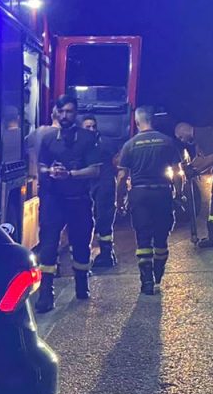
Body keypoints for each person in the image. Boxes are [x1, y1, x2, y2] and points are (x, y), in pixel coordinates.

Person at [30, 94, 102, 312]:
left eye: (69, 111)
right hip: (54, 201)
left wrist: (70, 174)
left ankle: (82, 284)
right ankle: (46, 294)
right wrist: (50, 171)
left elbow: (95, 170)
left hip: (79, 201)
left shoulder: (87, 139)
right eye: (60, 112)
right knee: (48, 247)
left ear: (75, 113)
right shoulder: (49, 139)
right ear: (55, 113)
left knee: (81, 245)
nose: (64, 116)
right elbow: (39, 167)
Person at [117, 106, 184, 295]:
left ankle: (146, 280)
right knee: (161, 238)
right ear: (153, 120)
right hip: (162, 194)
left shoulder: (130, 145)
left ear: (137, 122)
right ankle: (158, 271)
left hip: (139, 195)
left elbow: (122, 176)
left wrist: (119, 199)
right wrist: (179, 194)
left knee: (143, 238)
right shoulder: (167, 142)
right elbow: (178, 172)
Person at [82, 116, 119, 268]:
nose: (91, 129)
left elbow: (118, 158)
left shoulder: (107, 143)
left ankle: (107, 254)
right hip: (86, 186)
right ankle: (84, 255)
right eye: (87, 127)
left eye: (93, 126)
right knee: (85, 221)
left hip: (105, 186)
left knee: (104, 221)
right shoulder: (77, 144)